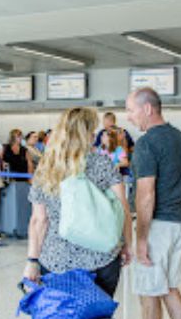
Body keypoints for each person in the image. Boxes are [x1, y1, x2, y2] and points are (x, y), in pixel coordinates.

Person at [126, 87, 181, 319]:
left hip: (157, 226)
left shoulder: (147, 144)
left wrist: (141, 238)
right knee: (169, 287)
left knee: (148, 292)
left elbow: (146, 193)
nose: (129, 117)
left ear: (148, 109)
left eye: (131, 111)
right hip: (178, 223)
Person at [22, 107, 132, 297]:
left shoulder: (47, 167)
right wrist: (127, 243)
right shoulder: (103, 163)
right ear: (87, 134)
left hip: (57, 260)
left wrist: (32, 260)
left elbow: (39, 220)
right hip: (102, 257)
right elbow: (122, 208)